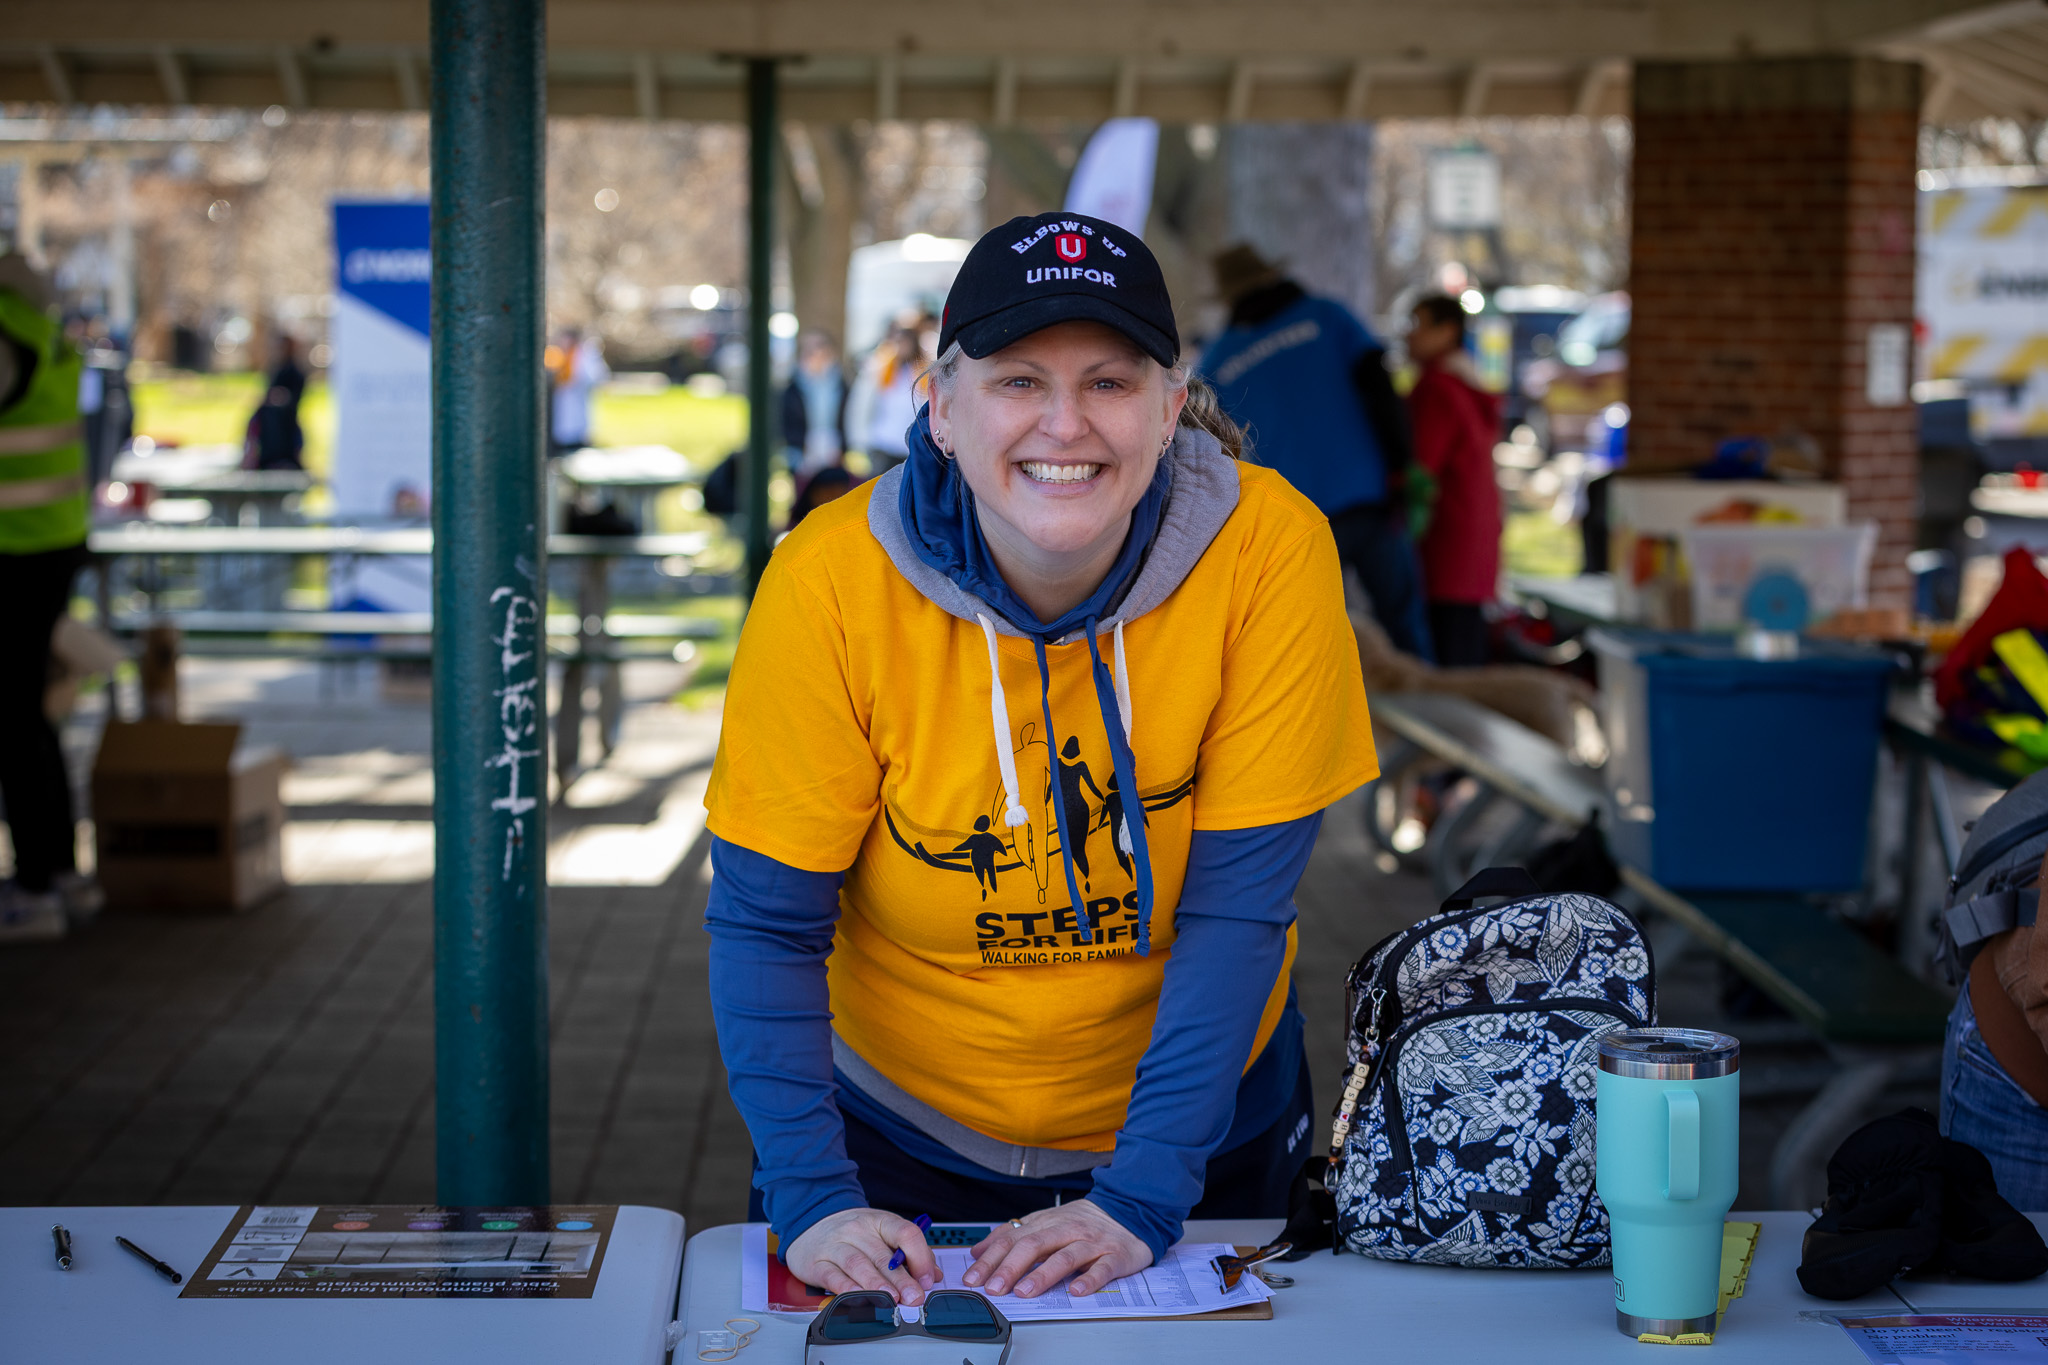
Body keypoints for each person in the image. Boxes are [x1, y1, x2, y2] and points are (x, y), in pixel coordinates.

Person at [706, 212, 1376, 1306]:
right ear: (939, 407)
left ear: (1168, 411)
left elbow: (1235, 914)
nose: (1064, 424)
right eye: (1017, 380)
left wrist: (1140, 1198)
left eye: (1109, 382)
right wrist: (812, 1195)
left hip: (1193, 1127)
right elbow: (768, 921)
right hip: (890, 1129)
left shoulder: (1268, 550)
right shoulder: (827, 581)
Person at [1199, 244, 1434, 661]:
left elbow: (1212, 448)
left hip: (1296, 519)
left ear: (1229, 297)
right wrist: (1401, 466)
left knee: (1317, 639)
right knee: (1403, 624)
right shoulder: (1327, 316)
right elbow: (1381, 389)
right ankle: (1431, 714)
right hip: (1367, 494)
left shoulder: (1217, 361)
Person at [0, 254, 99, 942]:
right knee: (30, 714)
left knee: (15, 718)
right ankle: (58, 872)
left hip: (15, 549)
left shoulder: (8, 334)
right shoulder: (39, 327)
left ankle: (37, 886)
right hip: (49, 543)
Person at [1405, 294, 1505, 668]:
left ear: (1447, 331)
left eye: (1417, 324)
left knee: (1447, 670)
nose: (1408, 335)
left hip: (1445, 545)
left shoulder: (1437, 388)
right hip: (1473, 546)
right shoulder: (1467, 384)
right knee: (1466, 656)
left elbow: (1421, 469)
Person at [851, 318, 931, 475]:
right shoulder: (879, 368)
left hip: (909, 445)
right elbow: (862, 405)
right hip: (882, 442)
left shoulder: (923, 372)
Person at [781, 330, 849, 476]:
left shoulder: (842, 385)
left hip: (835, 455)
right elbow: (786, 423)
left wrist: (842, 447)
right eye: (809, 349)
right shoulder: (792, 388)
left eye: (820, 347)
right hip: (800, 457)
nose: (815, 353)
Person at [244, 335, 307, 471]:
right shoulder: (276, 370)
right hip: (270, 422)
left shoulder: (295, 373)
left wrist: (280, 397)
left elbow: (294, 398)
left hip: (285, 423)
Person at [549, 327, 609, 455]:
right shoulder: (559, 354)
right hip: (563, 400)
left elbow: (596, 377)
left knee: (576, 431)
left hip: (578, 399)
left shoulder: (584, 355)